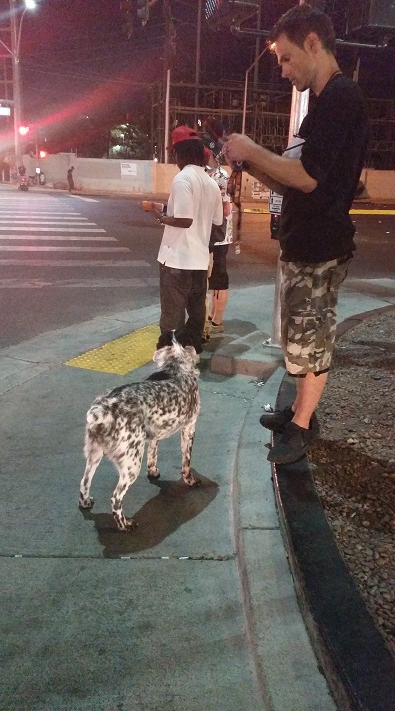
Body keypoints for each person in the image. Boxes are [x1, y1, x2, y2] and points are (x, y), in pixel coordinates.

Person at [225, 3, 369, 464]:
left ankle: (303, 426)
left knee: (312, 340)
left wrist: (253, 148)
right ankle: (298, 412)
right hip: (302, 243)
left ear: (312, 43)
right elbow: (294, 178)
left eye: (286, 58)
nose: (283, 70)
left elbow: (308, 176)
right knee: (297, 339)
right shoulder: (319, 106)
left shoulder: (342, 98)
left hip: (322, 247)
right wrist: (250, 164)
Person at [152, 126, 223, 354]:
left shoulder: (182, 178)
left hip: (176, 260)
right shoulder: (211, 183)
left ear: (180, 154)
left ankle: (170, 360)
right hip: (199, 261)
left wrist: (161, 216)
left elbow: (184, 219)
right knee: (196, 314)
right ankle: (192, 358)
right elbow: (218, 220)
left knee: (172, 317)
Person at [206, 164, 233, 334]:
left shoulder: (220, 175)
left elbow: (225, 207)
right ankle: (212, 315)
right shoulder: (208, 172)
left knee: (219, 276)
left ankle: (217, 320)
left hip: (219, 236)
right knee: (213, 276)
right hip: (211, 234)